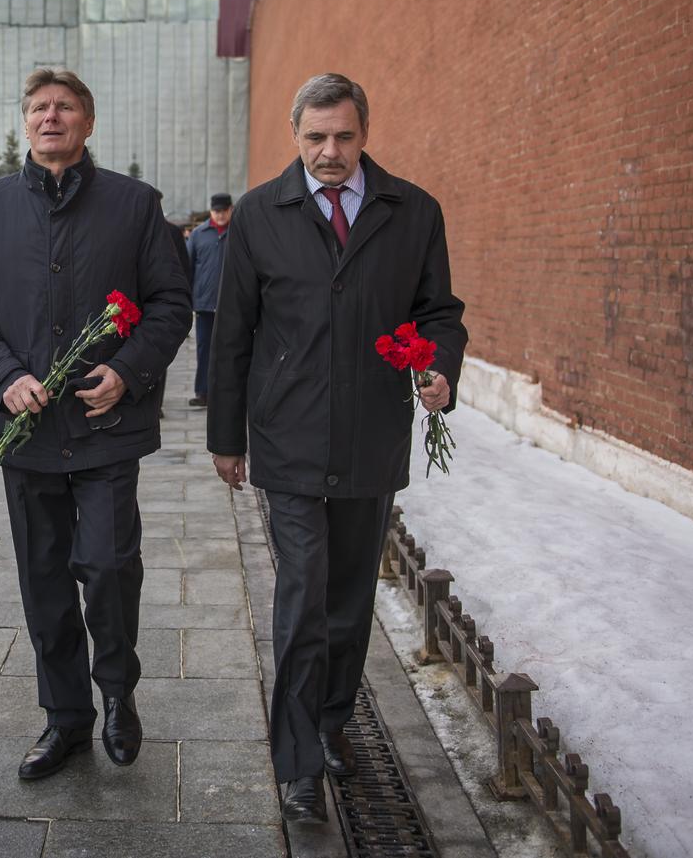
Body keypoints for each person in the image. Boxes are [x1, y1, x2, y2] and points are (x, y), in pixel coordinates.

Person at [206, 73, 467, 823]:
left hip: (370, 436)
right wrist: (227, 438)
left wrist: (439, 367)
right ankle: (296, 762)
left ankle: (328, 722)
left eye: (343, 137)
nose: (330, 151)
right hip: (286, 437)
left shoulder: (411, 212)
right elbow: (233, 335)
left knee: (350, 604)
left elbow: (440, 312)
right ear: (297, 135)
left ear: (364, 133)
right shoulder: (259, 213)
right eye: (316, 137)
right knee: (303, 595)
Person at [0, 68, 191, 781]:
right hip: (25, 433)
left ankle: (117, 692)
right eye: (39, 108)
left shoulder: (135, 206)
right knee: (44, 578)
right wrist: (2, 375)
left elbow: (172, 302)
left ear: (88, 122)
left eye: (66, 108)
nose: (51, 117)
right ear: (25, 122)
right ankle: (65, 719)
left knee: (109, 566)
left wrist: (129, 371)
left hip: (106, 424)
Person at [185, 192, 232, 406]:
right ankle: (202, 392)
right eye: (216, 211)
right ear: (211, 211)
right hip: (204, 303)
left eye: (224, 211)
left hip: (232, 305)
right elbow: (188, 267)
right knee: (204, 349)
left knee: (231, 348)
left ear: (231, 209)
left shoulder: (239, 232)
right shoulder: (198, 234)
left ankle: (228, 391)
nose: (220, 215)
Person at [152, 189, 192, 418]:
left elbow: (184, 267)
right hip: (136, 304)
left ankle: (156, 405)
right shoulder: (130, 229)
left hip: (164, 300)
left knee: (159, 357)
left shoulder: (172, 232)